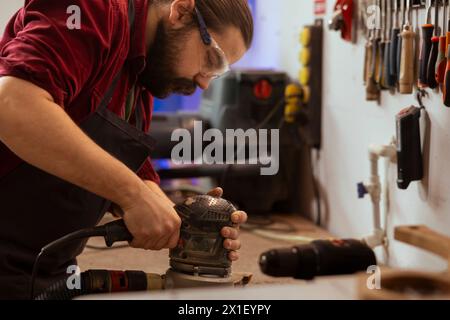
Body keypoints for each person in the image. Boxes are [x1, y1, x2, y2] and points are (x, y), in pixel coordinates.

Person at [0, 0, 253, 299]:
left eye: (217, 73)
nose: (204, 83)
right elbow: (12, 104)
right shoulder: (92, 9)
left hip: (43, 270)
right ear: (181, 11)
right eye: (212, 60)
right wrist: (133, 195)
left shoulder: (140, 74)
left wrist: (184, 222)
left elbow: (121, 163)